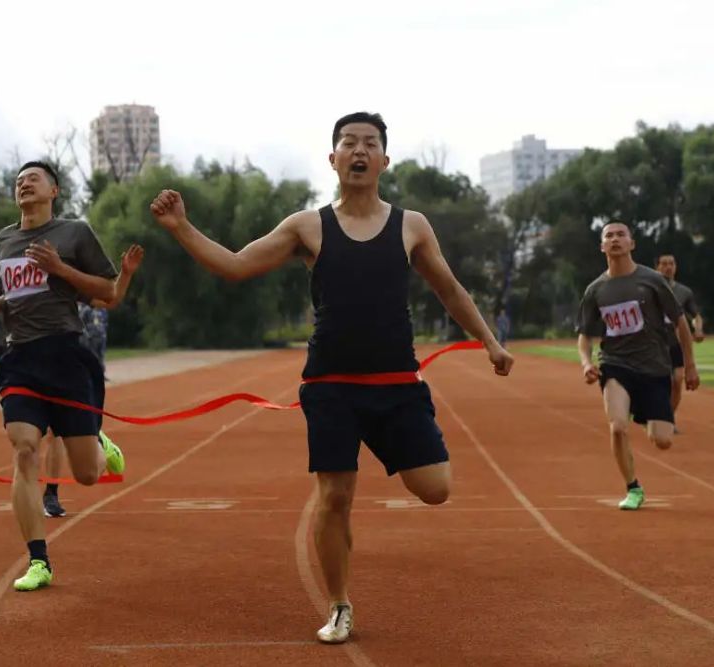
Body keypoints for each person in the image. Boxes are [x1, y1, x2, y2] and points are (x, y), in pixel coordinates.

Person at [150, 111, 514, 644]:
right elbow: (235, 265)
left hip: (397, 384)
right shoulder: (307, 226)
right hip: (331, 386)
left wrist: (490, 340)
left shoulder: (412, 226)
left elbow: (450, 289)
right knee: (335, 496)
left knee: (435, 489)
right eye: (348, 143)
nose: (359, 150)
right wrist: (182, 227)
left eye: (369, 143)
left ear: (385, 160)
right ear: (333, 158)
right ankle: (339, 604)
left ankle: (395, 453)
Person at [0, 161, 126, 593]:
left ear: (53, 191)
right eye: (18, 180)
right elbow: (3, 298)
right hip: (20, 358)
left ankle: (98, 441)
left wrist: (61, 269)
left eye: (33, 178)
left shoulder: (74, 234)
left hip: (66, 355)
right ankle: (39, 560)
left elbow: (108, 292)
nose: (23, 183)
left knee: (87, 474)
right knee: (24, 450)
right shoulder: (2, 241)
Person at [576, 222, 700, 511]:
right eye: (609, 236)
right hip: (615, 364)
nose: (615, 239)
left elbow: (680, 323)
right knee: (618, 427)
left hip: (654, 367)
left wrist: (690, 366)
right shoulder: (595, 290)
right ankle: (633, 487)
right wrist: (586, 363)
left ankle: (642, 412)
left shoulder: (652, 280)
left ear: (631, 243)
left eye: (621, 235)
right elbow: (585, 336)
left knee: (663, 440)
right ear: (602, 246)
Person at [42, 245, 143, 519]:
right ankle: (51, 493)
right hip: (40, 363)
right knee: (49, 431)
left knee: (59, 435)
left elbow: (111, 299)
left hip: (76, 365)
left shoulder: (74, 287)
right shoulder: (29, 288)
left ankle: (98, 445)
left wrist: (125, 274)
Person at [654, 254, 705, 422]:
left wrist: (698, 329)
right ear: (657, 267)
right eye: (664, 264)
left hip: (676, 344)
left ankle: (668, 418)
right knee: (663, 381)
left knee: (677, 381)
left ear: (675, 267)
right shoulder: (649, 290)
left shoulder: (684, 292)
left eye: (671, 264)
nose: (668, 267)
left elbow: (696, 315)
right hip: (656, 344)